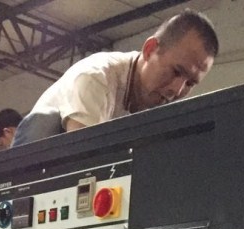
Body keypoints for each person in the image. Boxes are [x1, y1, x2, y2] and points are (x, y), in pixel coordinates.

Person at [12, 10, 218, 147]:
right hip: (40, 160)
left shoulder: (155, 105)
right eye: (176, 71)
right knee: (45, 122)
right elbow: (84, 160)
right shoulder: (95, 77)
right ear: (150, 50)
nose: (177, 90)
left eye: (190, 83)